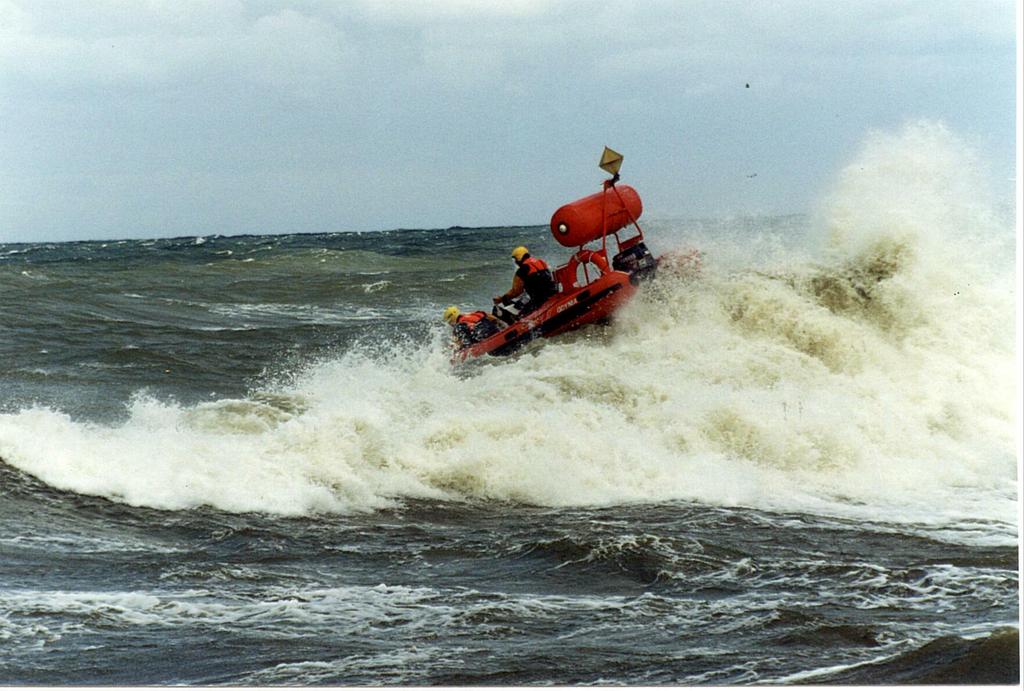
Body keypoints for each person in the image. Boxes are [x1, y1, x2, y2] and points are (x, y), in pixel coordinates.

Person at [492, 246, 556, 322]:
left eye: (515, 259)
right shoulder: (541, 262)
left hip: (538, 301)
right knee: (520, 302)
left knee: (519, 316)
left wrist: (502, 299)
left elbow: (516, 291)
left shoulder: (522, 270)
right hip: (552, 294)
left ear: (519, 258)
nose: (515, 262)